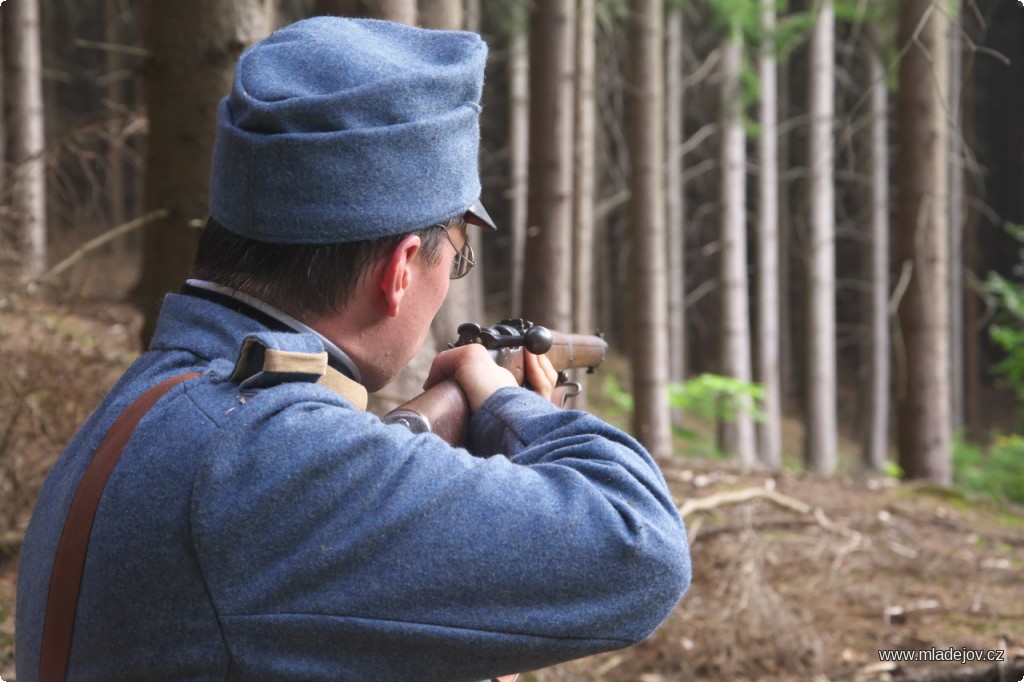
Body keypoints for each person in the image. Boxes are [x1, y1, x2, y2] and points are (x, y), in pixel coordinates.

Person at [16, 16, 691, 682]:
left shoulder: (149, 405)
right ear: (400, 270)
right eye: (456, 258)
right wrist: (506, 403)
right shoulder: (267, 460)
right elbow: (642, 544)